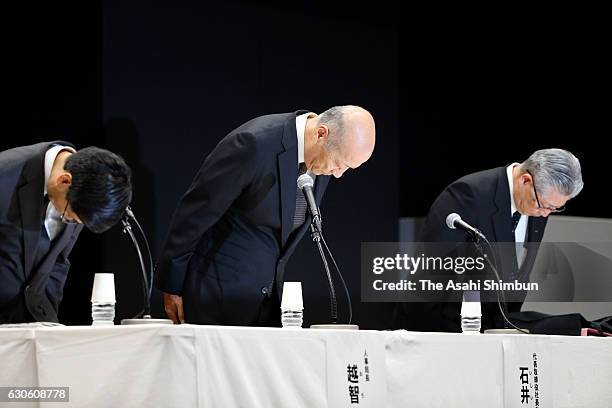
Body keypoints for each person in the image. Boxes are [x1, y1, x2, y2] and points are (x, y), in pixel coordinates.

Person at [156, 106, 376, 325]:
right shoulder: (254, 144)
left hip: (264, 308)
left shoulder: (322, 159)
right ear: (321, 133)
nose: (338, 174)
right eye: (340, 163)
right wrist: (171, 285)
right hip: (214, 301)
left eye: (347, 168)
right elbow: (195, 213)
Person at [395, 148, 583, 332]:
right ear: (525, 180)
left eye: (555, 208)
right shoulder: (468, 195)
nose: (545, 215)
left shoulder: (538, 201)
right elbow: (428, 278)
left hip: (496, 335)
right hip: (448, 331)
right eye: (545, 206)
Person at [0, 141, 133, 323]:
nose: (70, 222)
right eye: (69, 218)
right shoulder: (5, 173)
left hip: (32, 323)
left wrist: (49, 322)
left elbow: (57, 262)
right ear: (64, 180)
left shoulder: (86, 185)